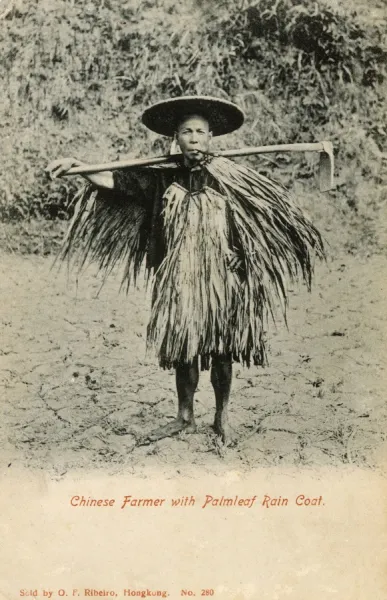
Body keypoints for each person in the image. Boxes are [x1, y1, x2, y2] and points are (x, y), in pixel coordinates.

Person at [47, 96, 325, 446]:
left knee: (223, 346)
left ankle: (222, 415)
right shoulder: (162, 178)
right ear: (175, 139)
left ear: (211, 137)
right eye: (186, 132)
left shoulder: (230, 178)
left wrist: (244, 255)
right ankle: (185, 415)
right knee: (184, 346)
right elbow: (116, 181)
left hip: (223, 276)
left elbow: (257, 223)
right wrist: (81, 166)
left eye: (200, 132)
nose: (194, 138)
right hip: (178, 276)